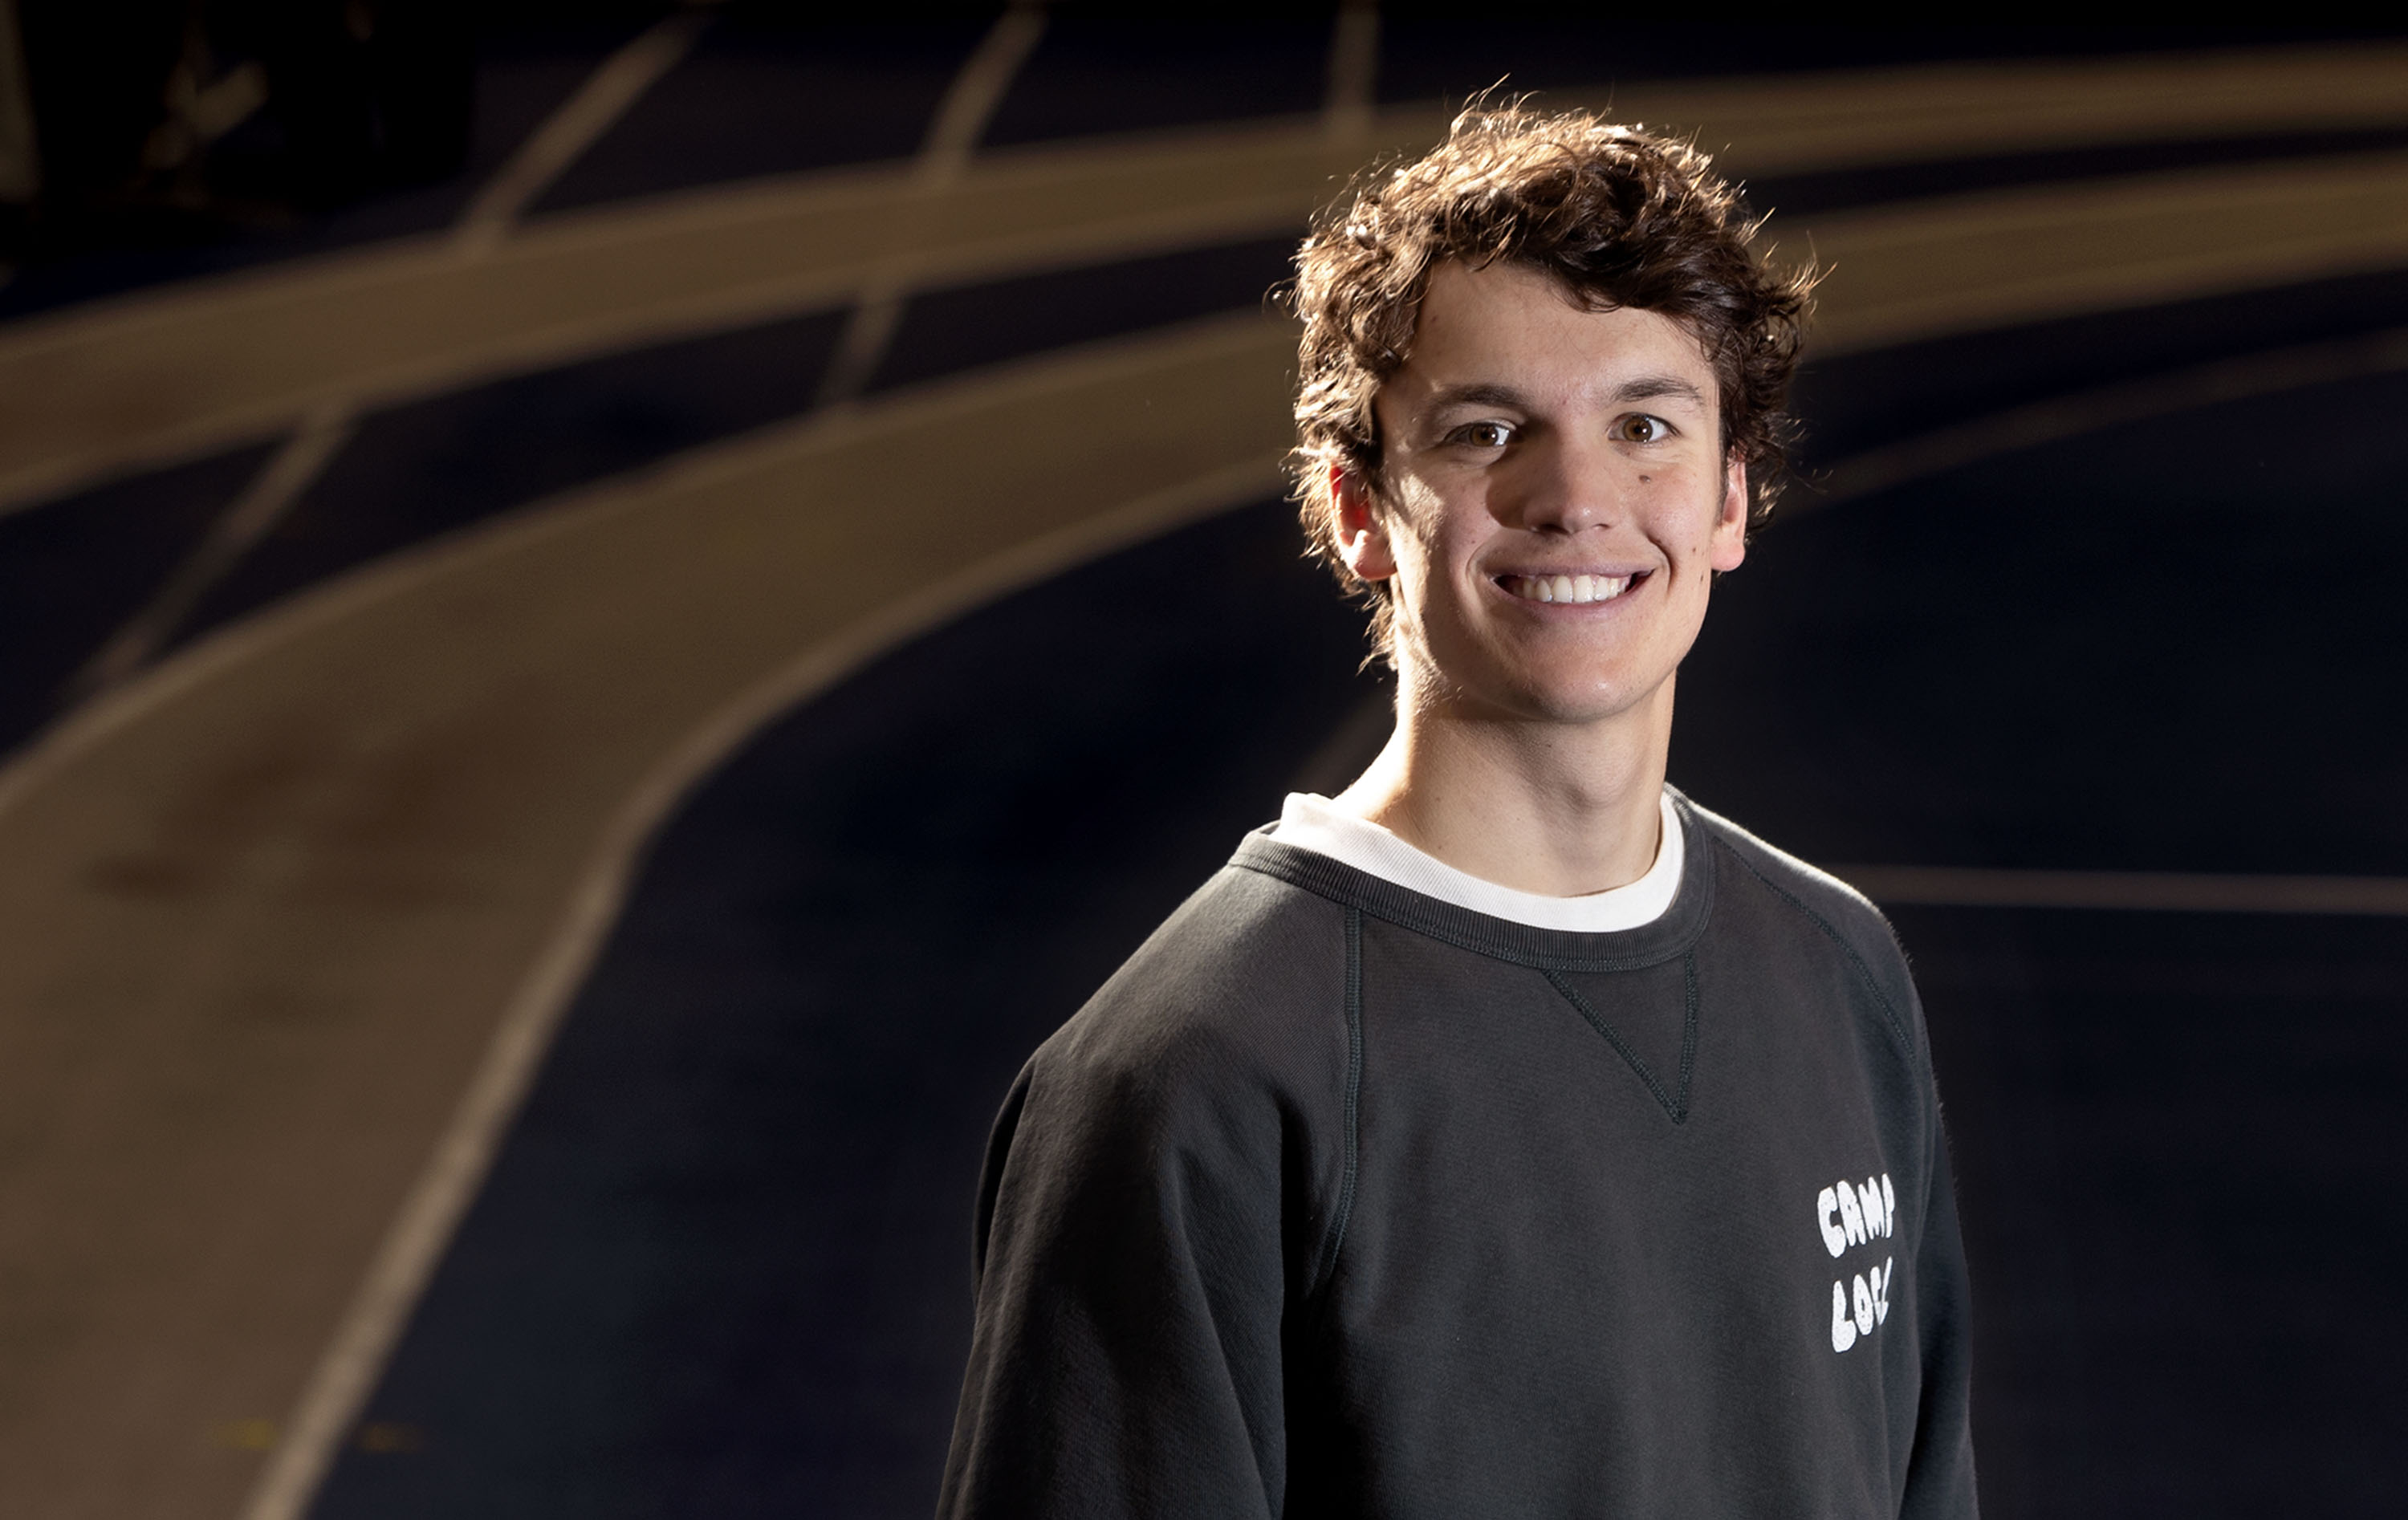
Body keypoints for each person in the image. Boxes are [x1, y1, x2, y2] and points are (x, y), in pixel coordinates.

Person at [938, 104, 1978, 1518]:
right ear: (1360, 509)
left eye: (1647, 426)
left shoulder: (1838, 965)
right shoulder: (1197, 1074)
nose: (1578, 497)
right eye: (1489, 431)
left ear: (1732, 496)